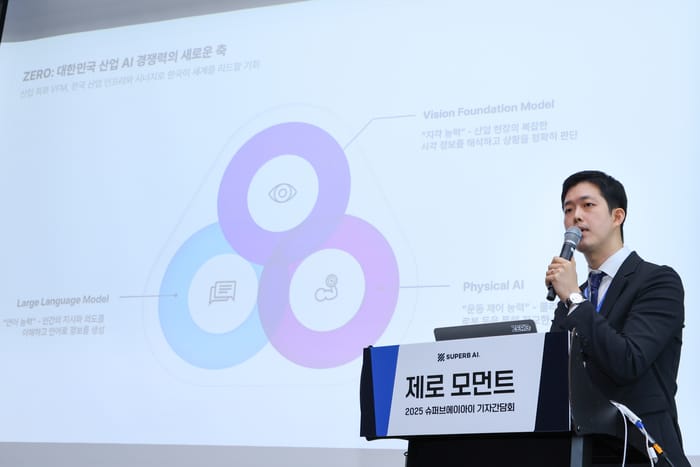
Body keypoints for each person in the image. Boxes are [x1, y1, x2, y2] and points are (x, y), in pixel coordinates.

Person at [545, 170, 690, 467]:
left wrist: (573, 298)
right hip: (585, 453)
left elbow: (628, 361)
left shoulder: (657, 281)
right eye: (568, 209)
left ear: (617, 216)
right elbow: (555, 375)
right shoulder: (574, 296)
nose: (575, 216)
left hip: (643, 452)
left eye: (587, 205)